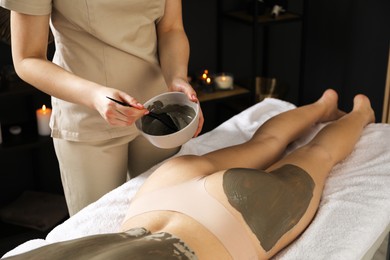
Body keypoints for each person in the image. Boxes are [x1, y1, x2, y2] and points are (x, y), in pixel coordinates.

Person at [2, 89, 375, 259]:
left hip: (225, 225)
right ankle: (327, 104)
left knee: (317, 154)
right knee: (269, 142)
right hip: (161, 195)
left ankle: (360, 114)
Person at [0, 0, 204, 216]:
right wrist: (94, 96)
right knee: (99, 237)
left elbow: (171, 28)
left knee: (163, 224)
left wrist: (177, 77)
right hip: (88, 117)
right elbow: (27, 59)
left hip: (158, 113)